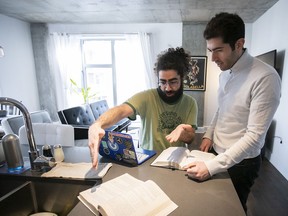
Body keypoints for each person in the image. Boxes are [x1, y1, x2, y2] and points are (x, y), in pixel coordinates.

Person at [184, 12, 281, 213]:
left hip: (242, 163)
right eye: (210, 50)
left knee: (231, 210)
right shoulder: (225, 73)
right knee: (210, 205)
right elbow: (222, 108)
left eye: (218, 50)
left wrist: (211, 167)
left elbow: (254, 137)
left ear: (239, 44)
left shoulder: (265, 77)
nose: (213, 58)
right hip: (215, 151)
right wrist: (209, 134)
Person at [89, 47, 198, 168]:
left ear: (182, 79)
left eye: (173, 82)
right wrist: (97, 124)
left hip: (176, 162)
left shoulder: (190, 103)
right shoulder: (147, 97)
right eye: (162, 82)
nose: (167, 88)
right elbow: (121, 110)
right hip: (148, 161)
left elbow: (190, 138)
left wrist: (182, 131)